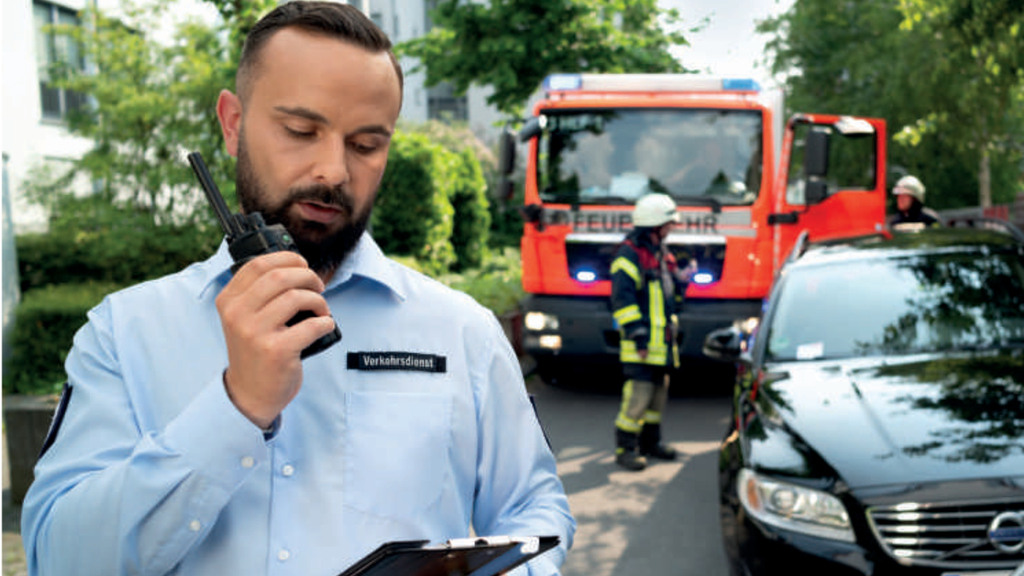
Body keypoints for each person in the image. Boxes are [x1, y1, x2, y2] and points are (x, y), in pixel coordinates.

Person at [20, 3, 575, 575]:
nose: (333, 171)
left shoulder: (462, 332)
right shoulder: (124, 332)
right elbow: (58, 559)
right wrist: (237, 406)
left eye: (366, 144)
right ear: (233, 124)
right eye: (300, 131)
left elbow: (534, 508)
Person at [609, 193, 696, 471]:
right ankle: (625, 449)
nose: (671, 228)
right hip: (643, 344)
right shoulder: (630, 254)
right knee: (638, 397)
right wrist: (637, 335)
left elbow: (670, 298)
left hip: (662, 344)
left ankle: (651, 443)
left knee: (657, 398)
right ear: (655, 225)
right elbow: (622, 299)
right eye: (668, 224)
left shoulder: (661, 254)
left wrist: (682, 280)